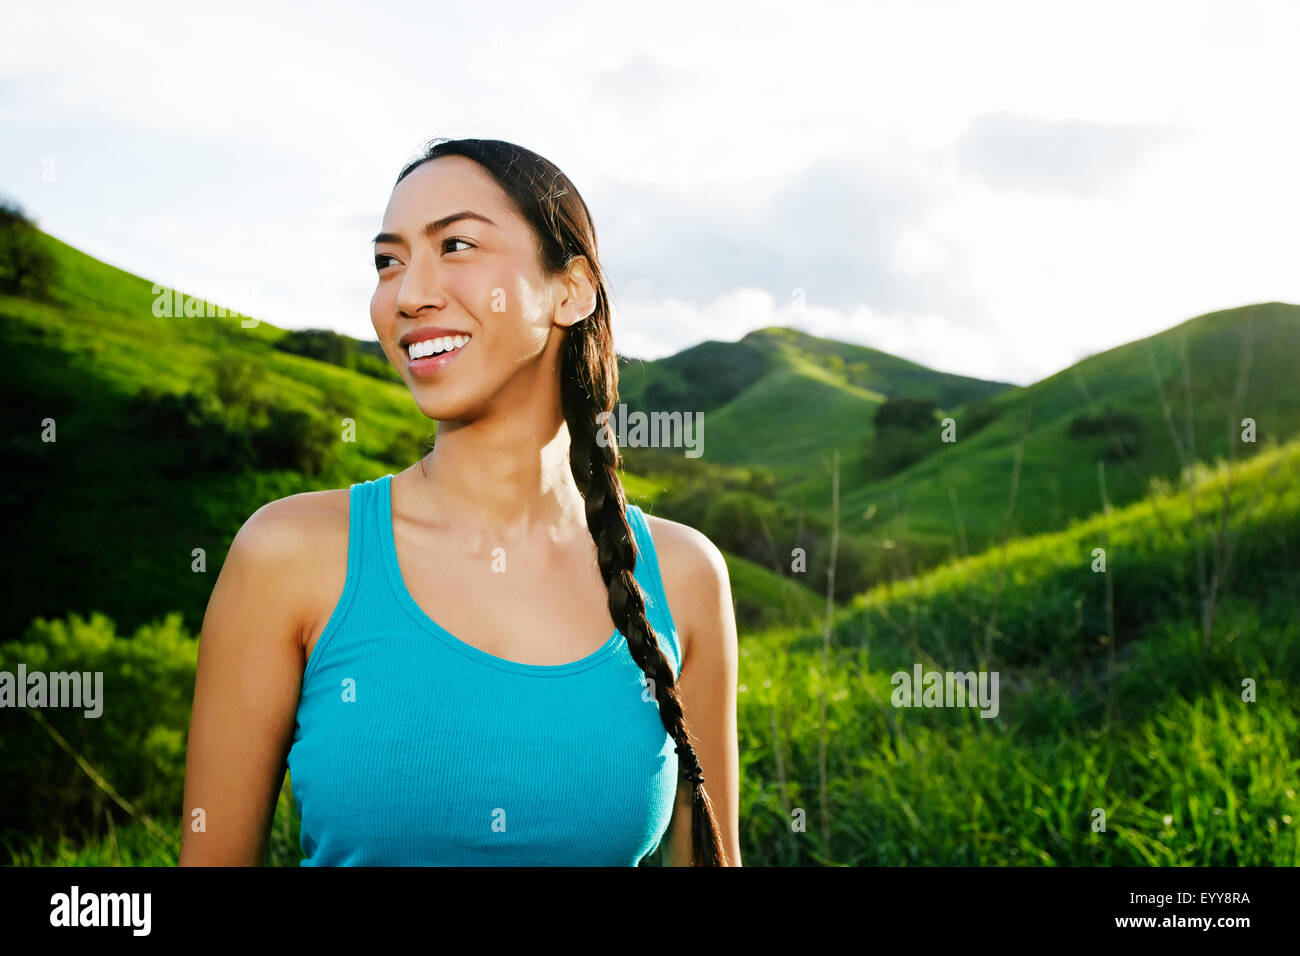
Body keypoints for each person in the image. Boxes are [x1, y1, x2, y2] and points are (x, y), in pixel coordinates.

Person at [179, 138, 741, 866]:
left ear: (569, 289)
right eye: (388, 260)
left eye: (457, 244)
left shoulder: (684, 574)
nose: (408, 294)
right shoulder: (288, 554)